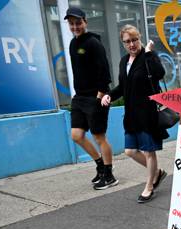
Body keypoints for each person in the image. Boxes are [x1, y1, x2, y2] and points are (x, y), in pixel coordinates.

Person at [101, 25, 168, 203]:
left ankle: (149, 186)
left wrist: (148, 53)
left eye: (134, 40)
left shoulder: (148, 57)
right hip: (131, 115)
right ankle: (157, 172)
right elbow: (123, 87)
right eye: (127, 41)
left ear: (139, 38)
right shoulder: (124, 61)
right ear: (123, 43)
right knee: (130, 151)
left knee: (148, 152)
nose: (131, 44)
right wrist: (109, 95)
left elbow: (160, 74)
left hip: (147, 113)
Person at [64, 7, 117, 190]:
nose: (75, 26)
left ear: (85, 22)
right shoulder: (73, 44)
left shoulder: (94, 43)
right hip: (79, 97)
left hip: (96, 97)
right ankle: (100, 166)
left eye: (78, 22)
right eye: (71, 23)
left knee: (99, 136)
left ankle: (109, 175)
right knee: (76, 135)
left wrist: (100, 96)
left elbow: (105, 72)